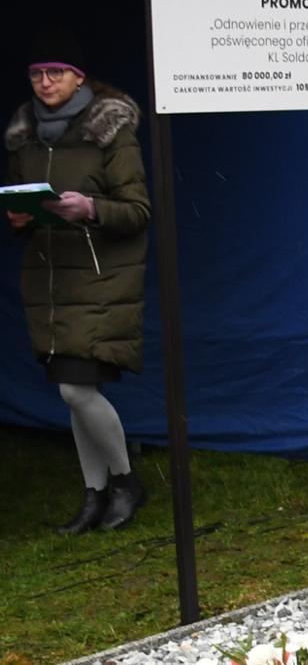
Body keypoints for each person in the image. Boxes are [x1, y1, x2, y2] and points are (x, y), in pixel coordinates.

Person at [7, 31, 152, 534]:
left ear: (79, 78)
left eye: (56, 72)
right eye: (36, 74)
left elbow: (137, 211)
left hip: (99, 277)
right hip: (49, 281)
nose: (45, 82)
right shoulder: (24, 136)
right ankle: (95, 494)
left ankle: (127, 482)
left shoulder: (112, 132)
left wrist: (89, 207)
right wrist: (19, 217)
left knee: (75, 389)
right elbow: (22, 200)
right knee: (75, 391)